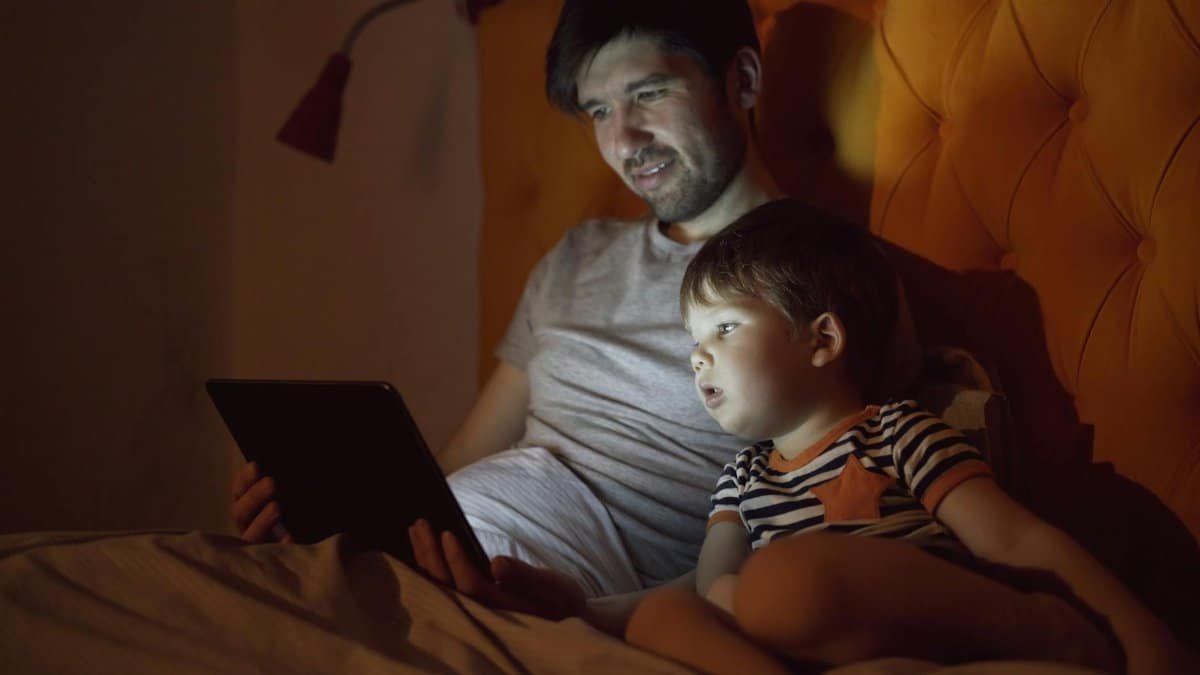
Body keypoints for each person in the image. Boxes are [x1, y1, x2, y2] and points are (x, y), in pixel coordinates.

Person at [236, 0, 807, 607]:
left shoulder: (822, 276)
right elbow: (459, 462)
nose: (623, 141)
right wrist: (331, 526)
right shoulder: (577, 256)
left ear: (741, 80)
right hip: (452, 553)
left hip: (566, 591)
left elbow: (803, 549)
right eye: (599, 111)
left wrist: (583, 615)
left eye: (649, 93)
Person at [617, 198, 1193, 674]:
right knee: (661, 618)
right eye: (693, 339)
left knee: (784, 583)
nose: (698, 357)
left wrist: (1135, 630)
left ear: (821, 341)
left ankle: (1049, 632)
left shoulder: (897, 431)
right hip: (803, 645)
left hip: (916, 619)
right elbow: (711, 583)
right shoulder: (741, 478)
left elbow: (1013, 540)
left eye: (724, 327)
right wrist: (584, 610)